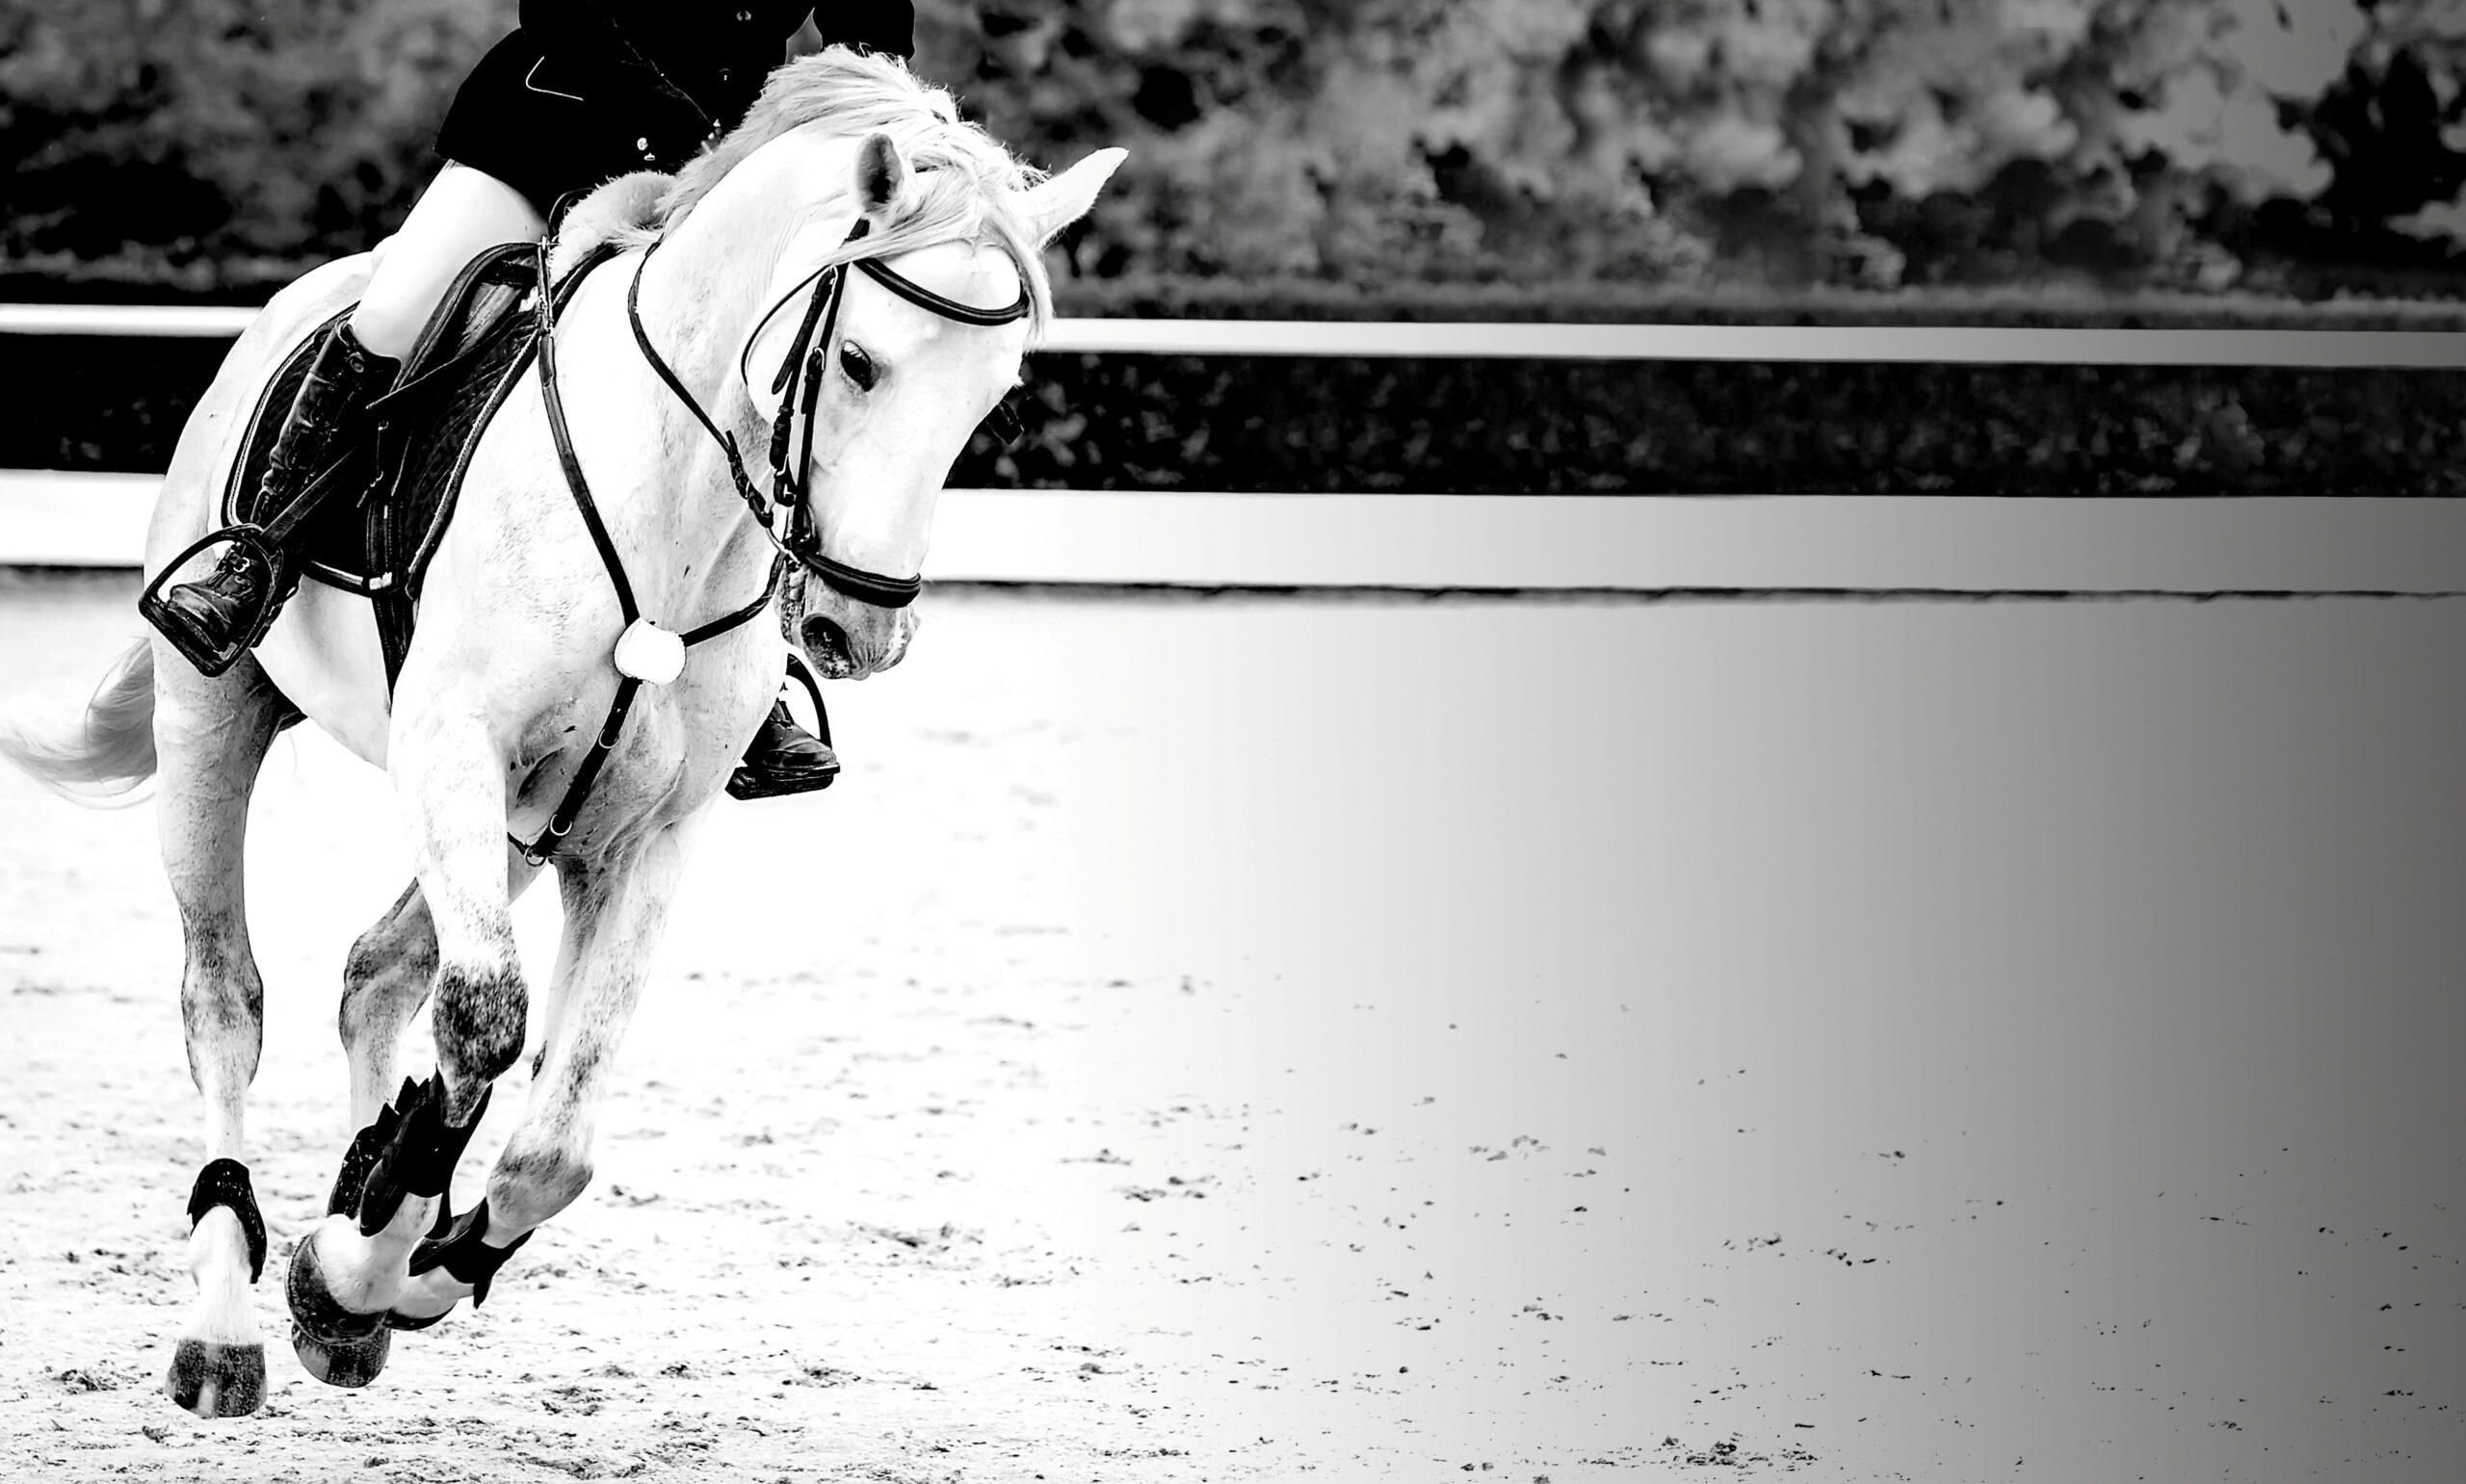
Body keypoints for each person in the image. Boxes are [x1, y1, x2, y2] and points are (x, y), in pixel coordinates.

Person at [147, 2, 918, 799]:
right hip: (555, 130)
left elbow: (871, 27)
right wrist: (694, 136)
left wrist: (853, 130)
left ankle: (748, 673)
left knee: (765, 377)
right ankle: (258, 556)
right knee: (393, 315)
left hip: (728, 179)